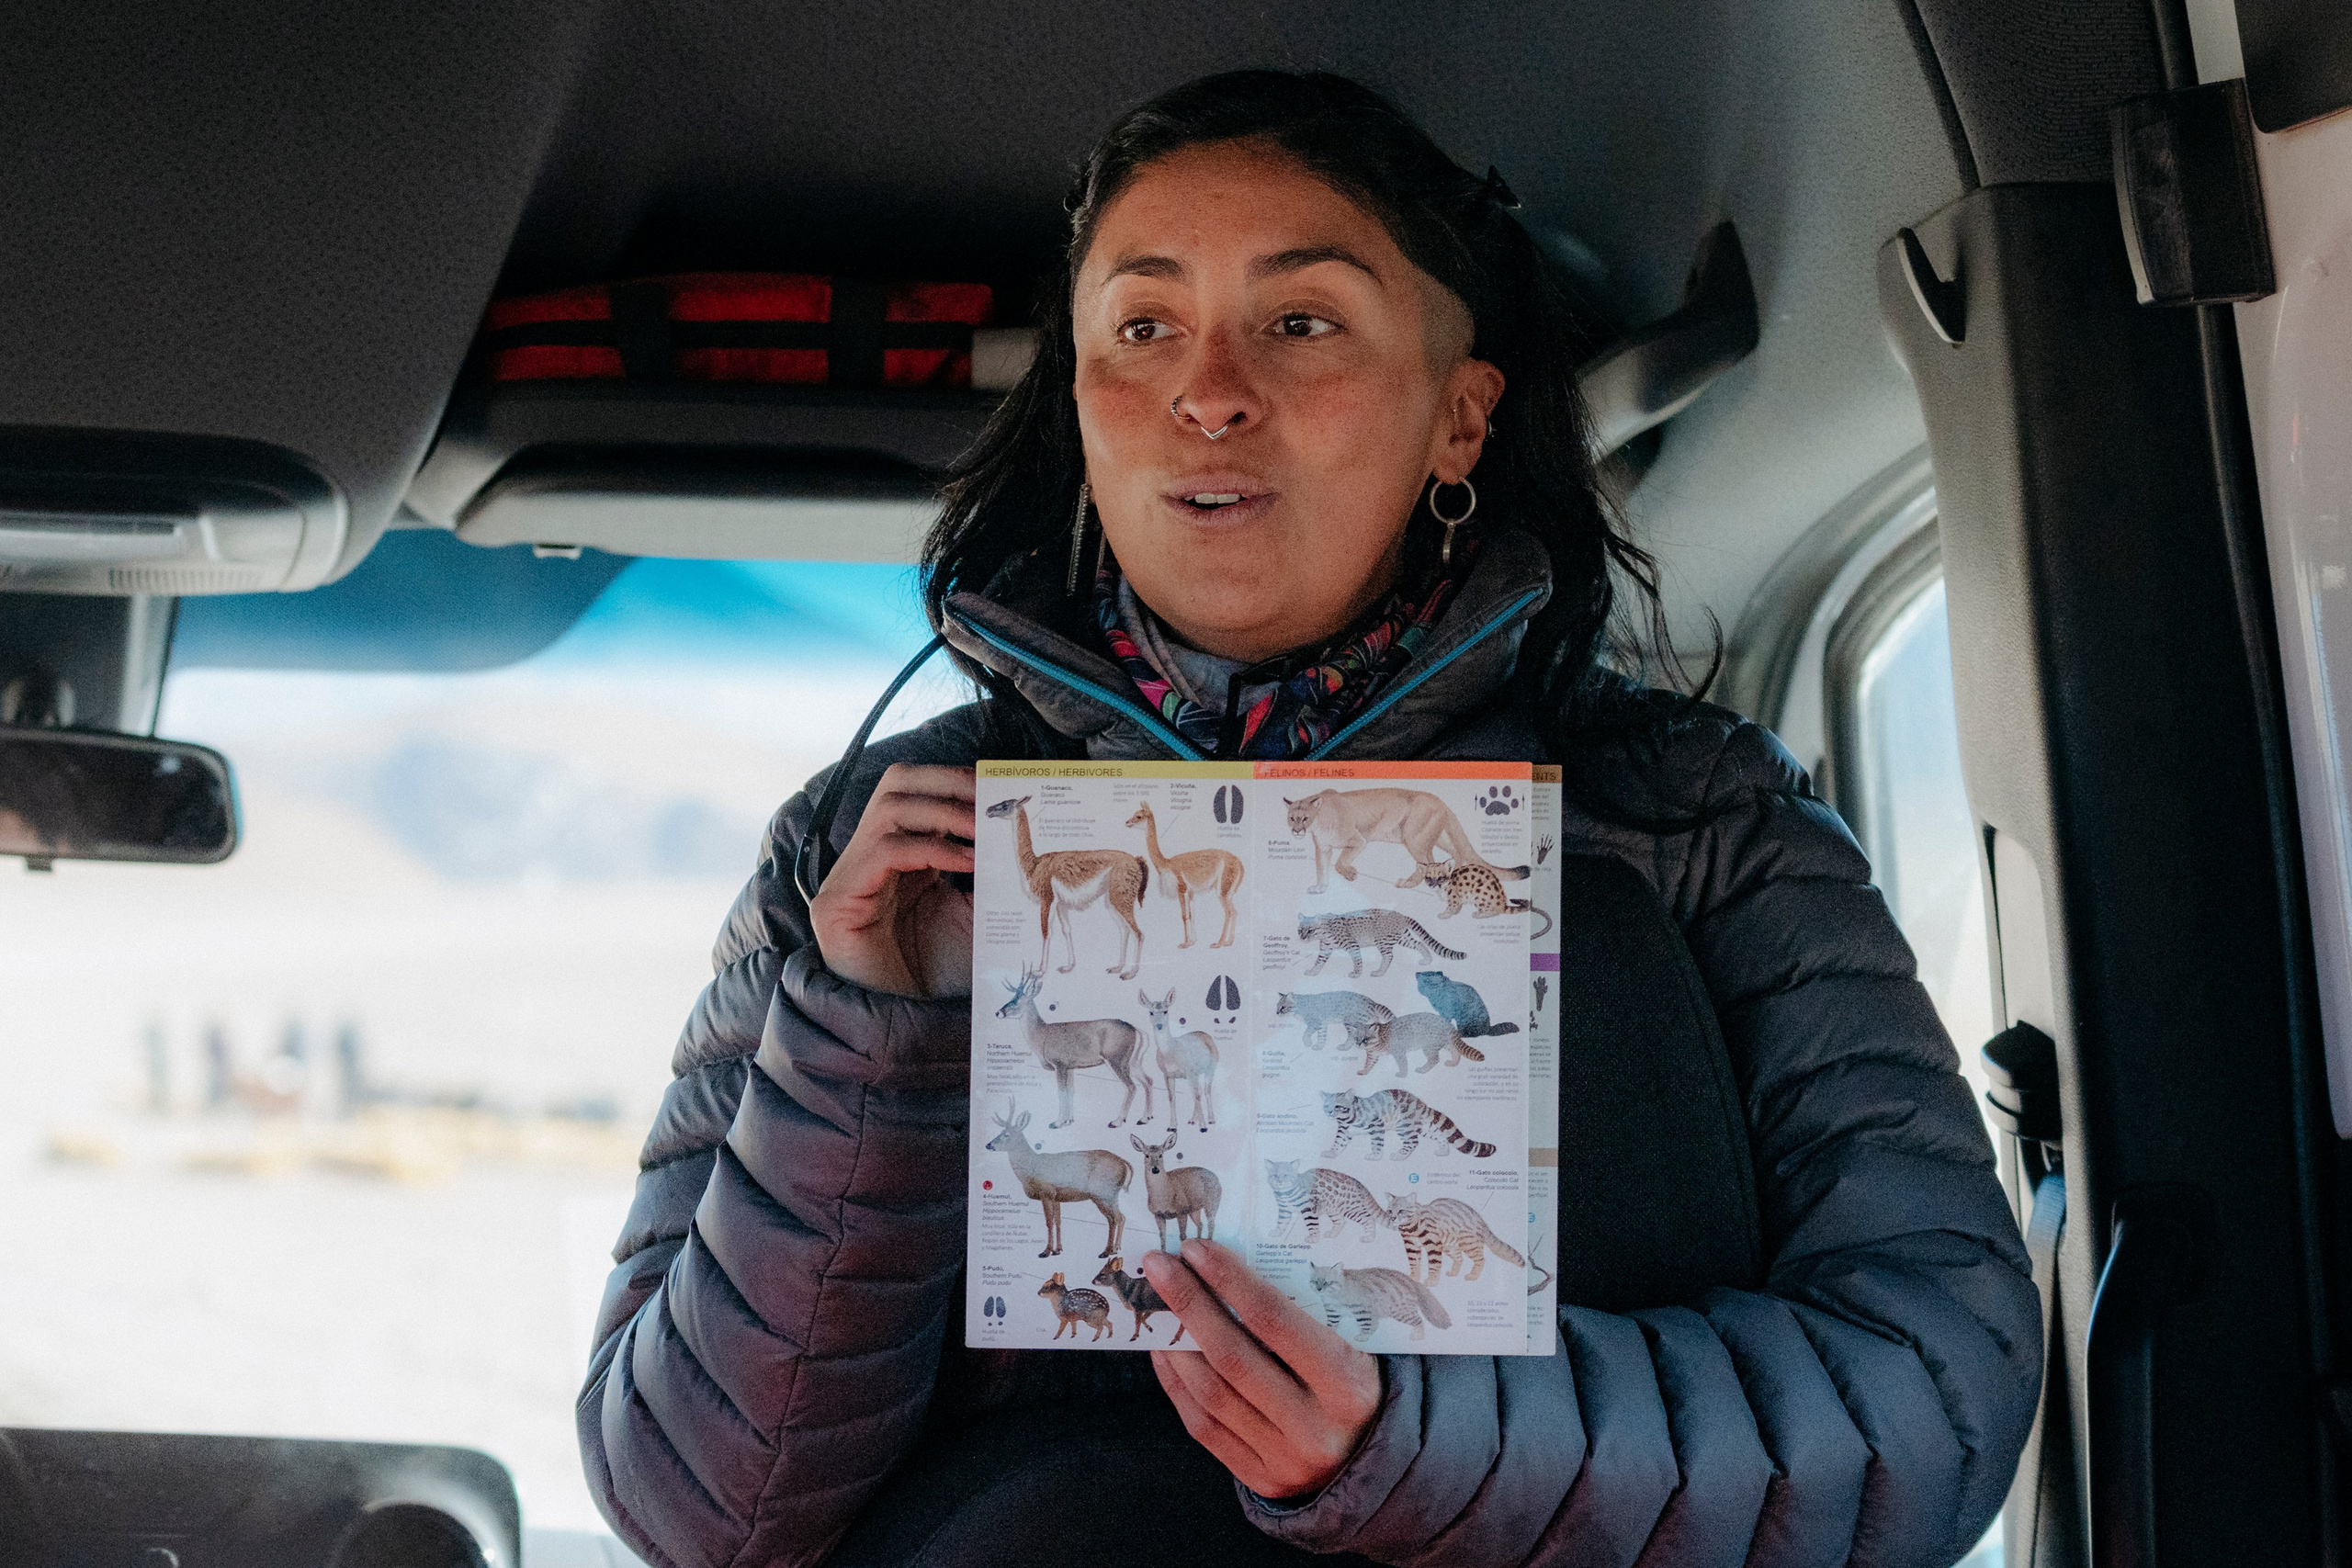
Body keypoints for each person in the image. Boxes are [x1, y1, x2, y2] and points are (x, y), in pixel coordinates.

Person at [579, 70, 2039, 1568]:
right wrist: (866, 1037)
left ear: (1460, 417)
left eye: (1301, 321)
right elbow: (703, 1511)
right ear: (1082, 407)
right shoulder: (871, 846)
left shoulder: (1700, 820)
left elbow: (1926, 1401)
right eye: (1142, 328)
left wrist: (1422, 1440)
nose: (1208, 389)